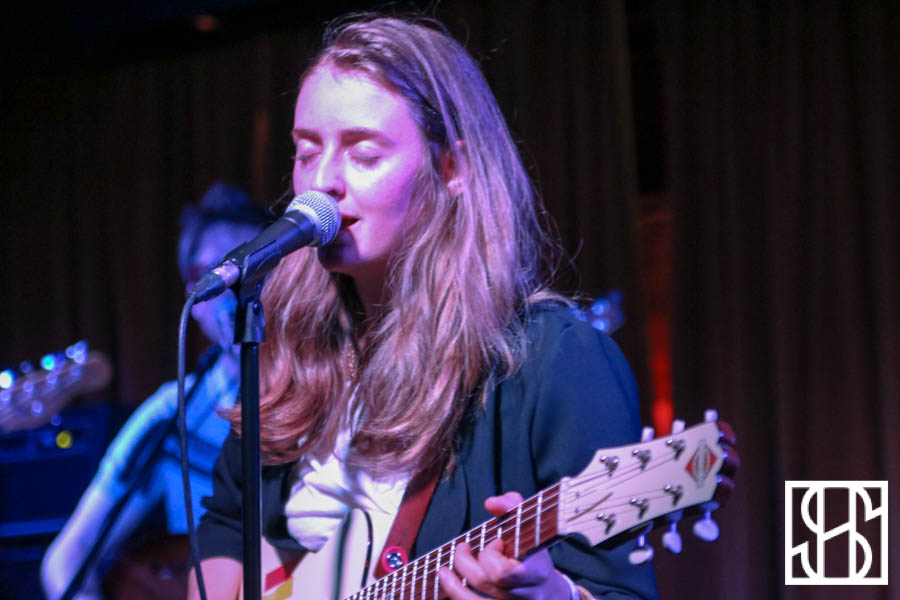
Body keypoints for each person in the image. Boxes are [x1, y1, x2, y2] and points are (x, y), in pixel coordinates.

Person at [191, 15, 659, 600]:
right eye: (306, 152)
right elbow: (228, 519)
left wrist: (547, 595)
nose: (322, 181)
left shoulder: (557, 361)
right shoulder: (289, 344)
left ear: (452, 168)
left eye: (364, 153)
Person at [41, 183, 268, 600]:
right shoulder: (172, 413)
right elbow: (67, 558)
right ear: (194, 297)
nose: (237, 290)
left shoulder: (331, 394)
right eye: (215, 273)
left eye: (255, 267)